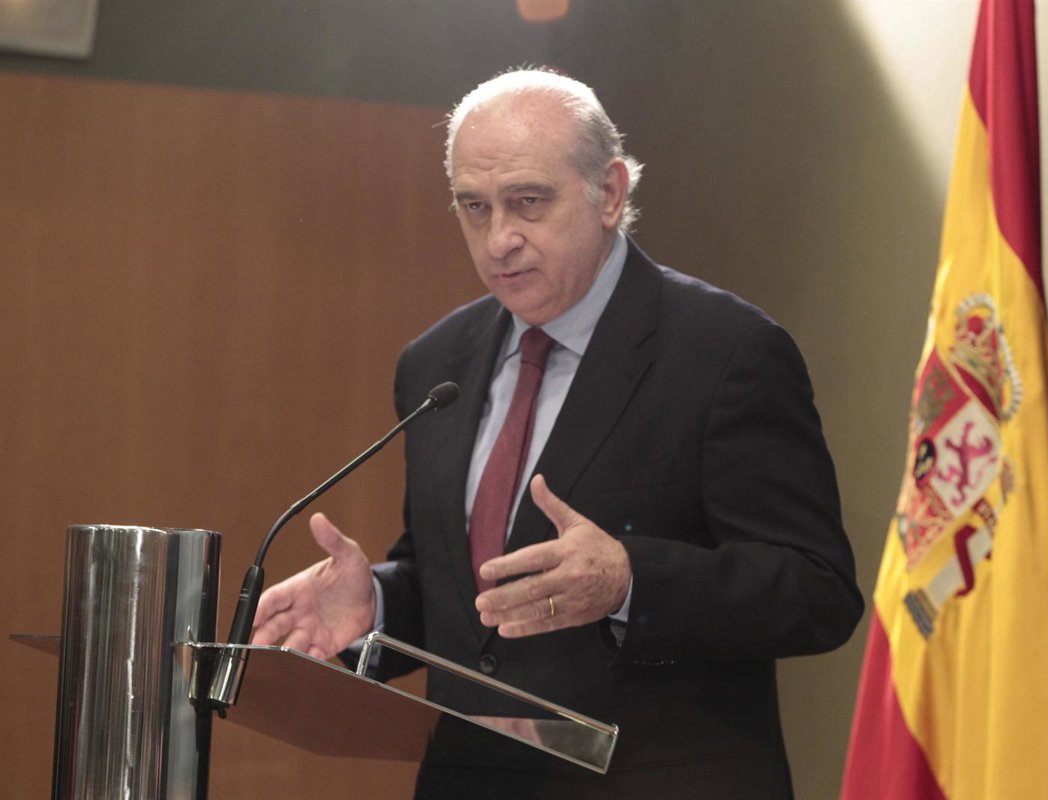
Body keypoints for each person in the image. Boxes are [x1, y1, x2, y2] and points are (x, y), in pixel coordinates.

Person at [250, 67, 863, 799]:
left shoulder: (728, 353)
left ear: (609, 193)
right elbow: (464, 588)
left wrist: (629, 581)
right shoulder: (435, 363)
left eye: (528, 202)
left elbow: (817, 591)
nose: (498, 240)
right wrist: (377, 605)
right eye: (474, 207)